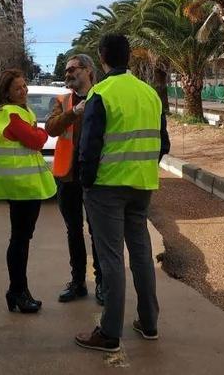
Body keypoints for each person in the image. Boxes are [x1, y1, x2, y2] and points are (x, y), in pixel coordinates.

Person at [74, 34, 171, 353]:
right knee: (141, 253)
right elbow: (164, 144)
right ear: (128, 57)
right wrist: (143, 166)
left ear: (102, 58)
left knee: (112, 258)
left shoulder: (101, 93)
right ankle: (150, 323)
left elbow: (89, 147)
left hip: (106, 188)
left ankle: (110, 332)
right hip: (141, 187)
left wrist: (86, 183)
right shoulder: (150, 94)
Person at [0, 69, 57, 314]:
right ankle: (17, 291)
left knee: (21, 238)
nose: (24, 91)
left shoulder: (20, 112)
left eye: (25, 86)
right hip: (21, 188)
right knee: (20, 239)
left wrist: (38, 132)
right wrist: (42, 131)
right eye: (18, 88)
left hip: (24, 187)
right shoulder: (13, 114)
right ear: (6, 92)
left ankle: (19, 290)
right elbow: (37, 140)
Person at [45, 54, 103, 305]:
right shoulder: (62, 100)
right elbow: (51, 128)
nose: (67, 73)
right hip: (67, 177)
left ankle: (101, 283)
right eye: (66, 70)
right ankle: (78, 282)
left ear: (88, 71)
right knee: (73, 230)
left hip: (95, 176)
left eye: (73, 69)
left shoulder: (102, 96)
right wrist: (74, 113)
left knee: (97, 231)